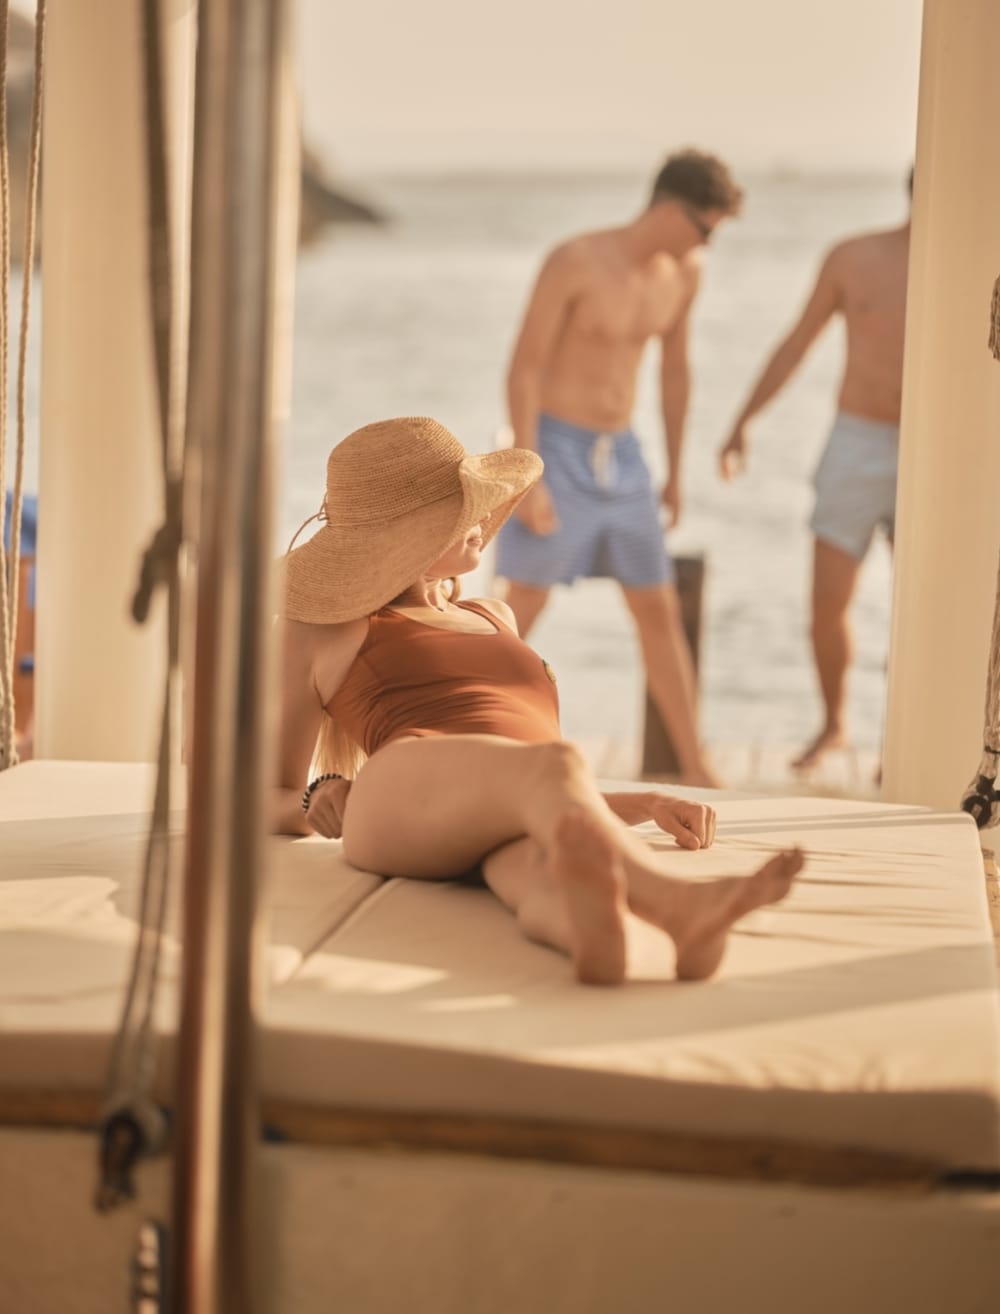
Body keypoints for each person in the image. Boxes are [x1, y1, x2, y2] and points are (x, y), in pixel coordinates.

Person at [274, 416, 803, 986]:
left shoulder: (492, 616)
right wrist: (314, 798)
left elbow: (524, 781)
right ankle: (677, 903)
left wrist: (645, 803)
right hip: (399, 798)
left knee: (543, 870)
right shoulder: (332, 631)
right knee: (560, 764)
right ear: (406, 536)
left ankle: (604, 942)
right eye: (458, 509)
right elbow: (254, 795)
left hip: (482, 817)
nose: (480, 518)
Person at [493, 150, 745, 789]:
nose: (708, 241)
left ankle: (696, 766)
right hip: (555, 447)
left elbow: (676, 370)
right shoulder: (575, 261)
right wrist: (529, 473)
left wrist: (677, 470)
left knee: (656, 607)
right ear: (668, 206)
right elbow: (524, 367)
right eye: (705, 226)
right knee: (521, 605)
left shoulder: (686, 272)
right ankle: (464, 738)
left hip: (624, 456)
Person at [718, 169, 912, 772]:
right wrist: (744, 419)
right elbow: (799, 340)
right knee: (827, 600)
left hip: (934, 444)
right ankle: (835, 726)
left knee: (925, 603)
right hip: (856, 440)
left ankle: (904, 738)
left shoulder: (971, 261)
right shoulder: (854, 257)